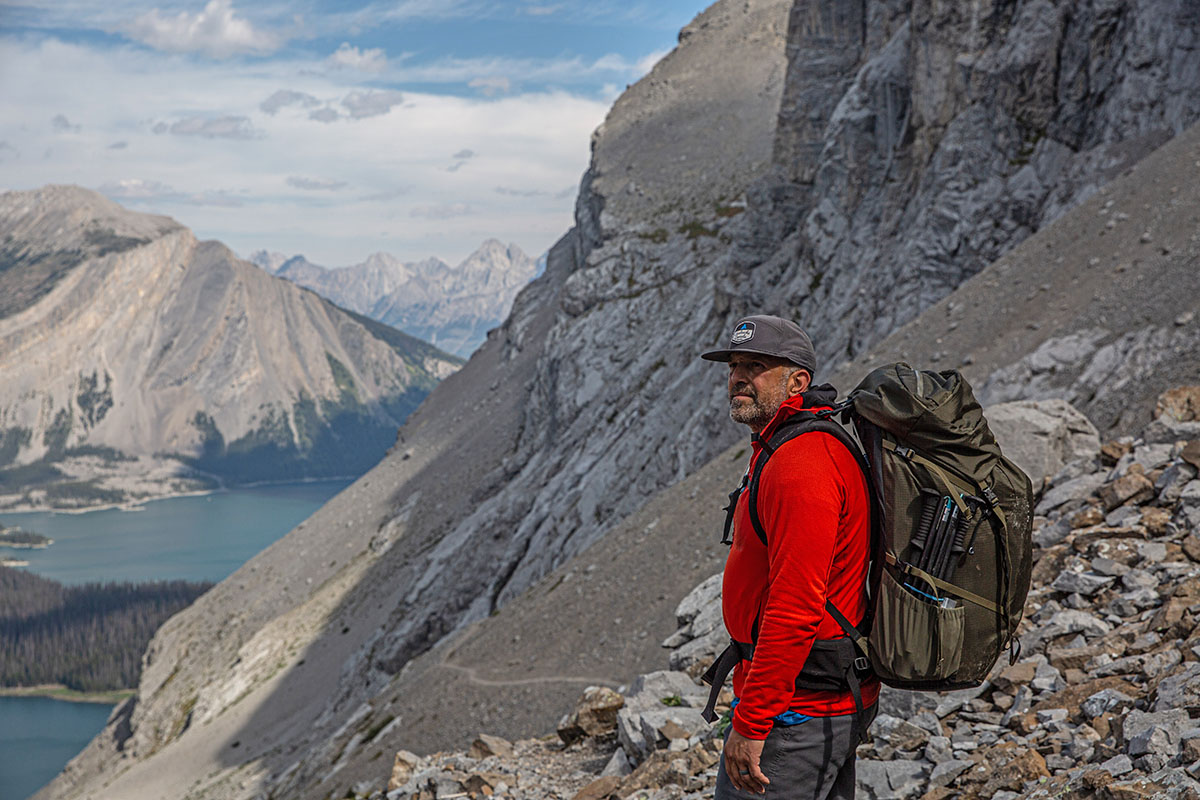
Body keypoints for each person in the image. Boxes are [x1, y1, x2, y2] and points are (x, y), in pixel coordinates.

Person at [700, 314, 878, 799]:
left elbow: (795, 606)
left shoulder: (801, 464)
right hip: (814, 696)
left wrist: (753, 722)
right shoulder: (787, 445)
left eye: (756, 366)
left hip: (798, 711)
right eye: (734, 366)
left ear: (798, 382)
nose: (738, 378)